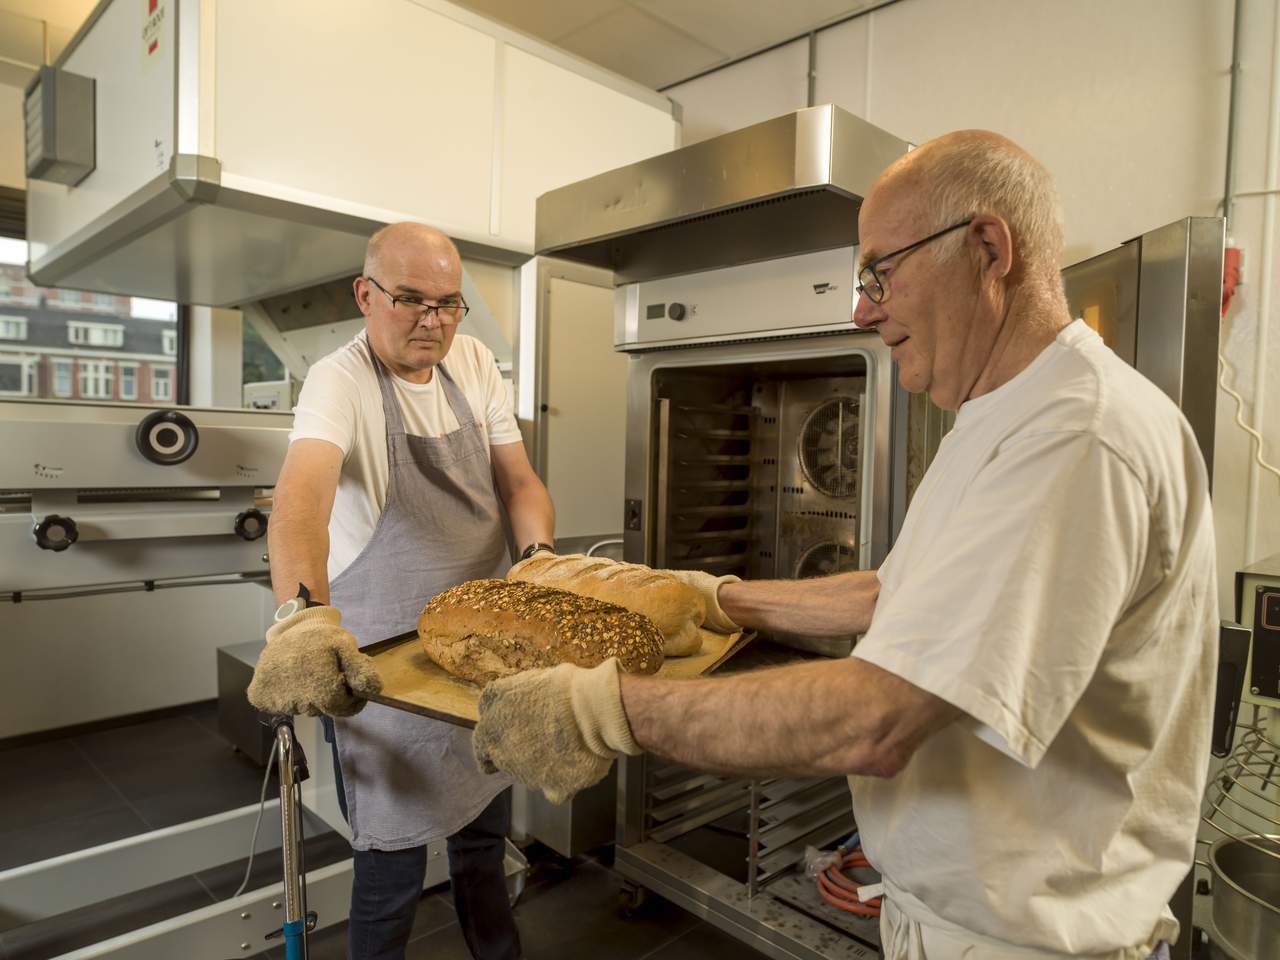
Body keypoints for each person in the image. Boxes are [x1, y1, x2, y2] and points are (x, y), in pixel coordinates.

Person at [473, 131, 1217, 960]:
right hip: (957, 922)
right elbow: (894, 593)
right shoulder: (1001, 415)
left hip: (1030, 941)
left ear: (988, 247)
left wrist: (602, 708)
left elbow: (878, 718)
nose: (861, 309)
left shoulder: (1079, 433)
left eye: (879, 272)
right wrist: (714, 597)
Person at [249, 222, 554, 960]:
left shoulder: (473, 362)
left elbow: (519, 483)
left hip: (479, 651)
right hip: (385, 668)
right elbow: (299, 506)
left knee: (484, 838)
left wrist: (542, 563)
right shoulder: (340, 378)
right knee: (391, 866)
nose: (434, 321)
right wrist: (302, 622)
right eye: (412, 300)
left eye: (449, 304)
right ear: (366, 295)